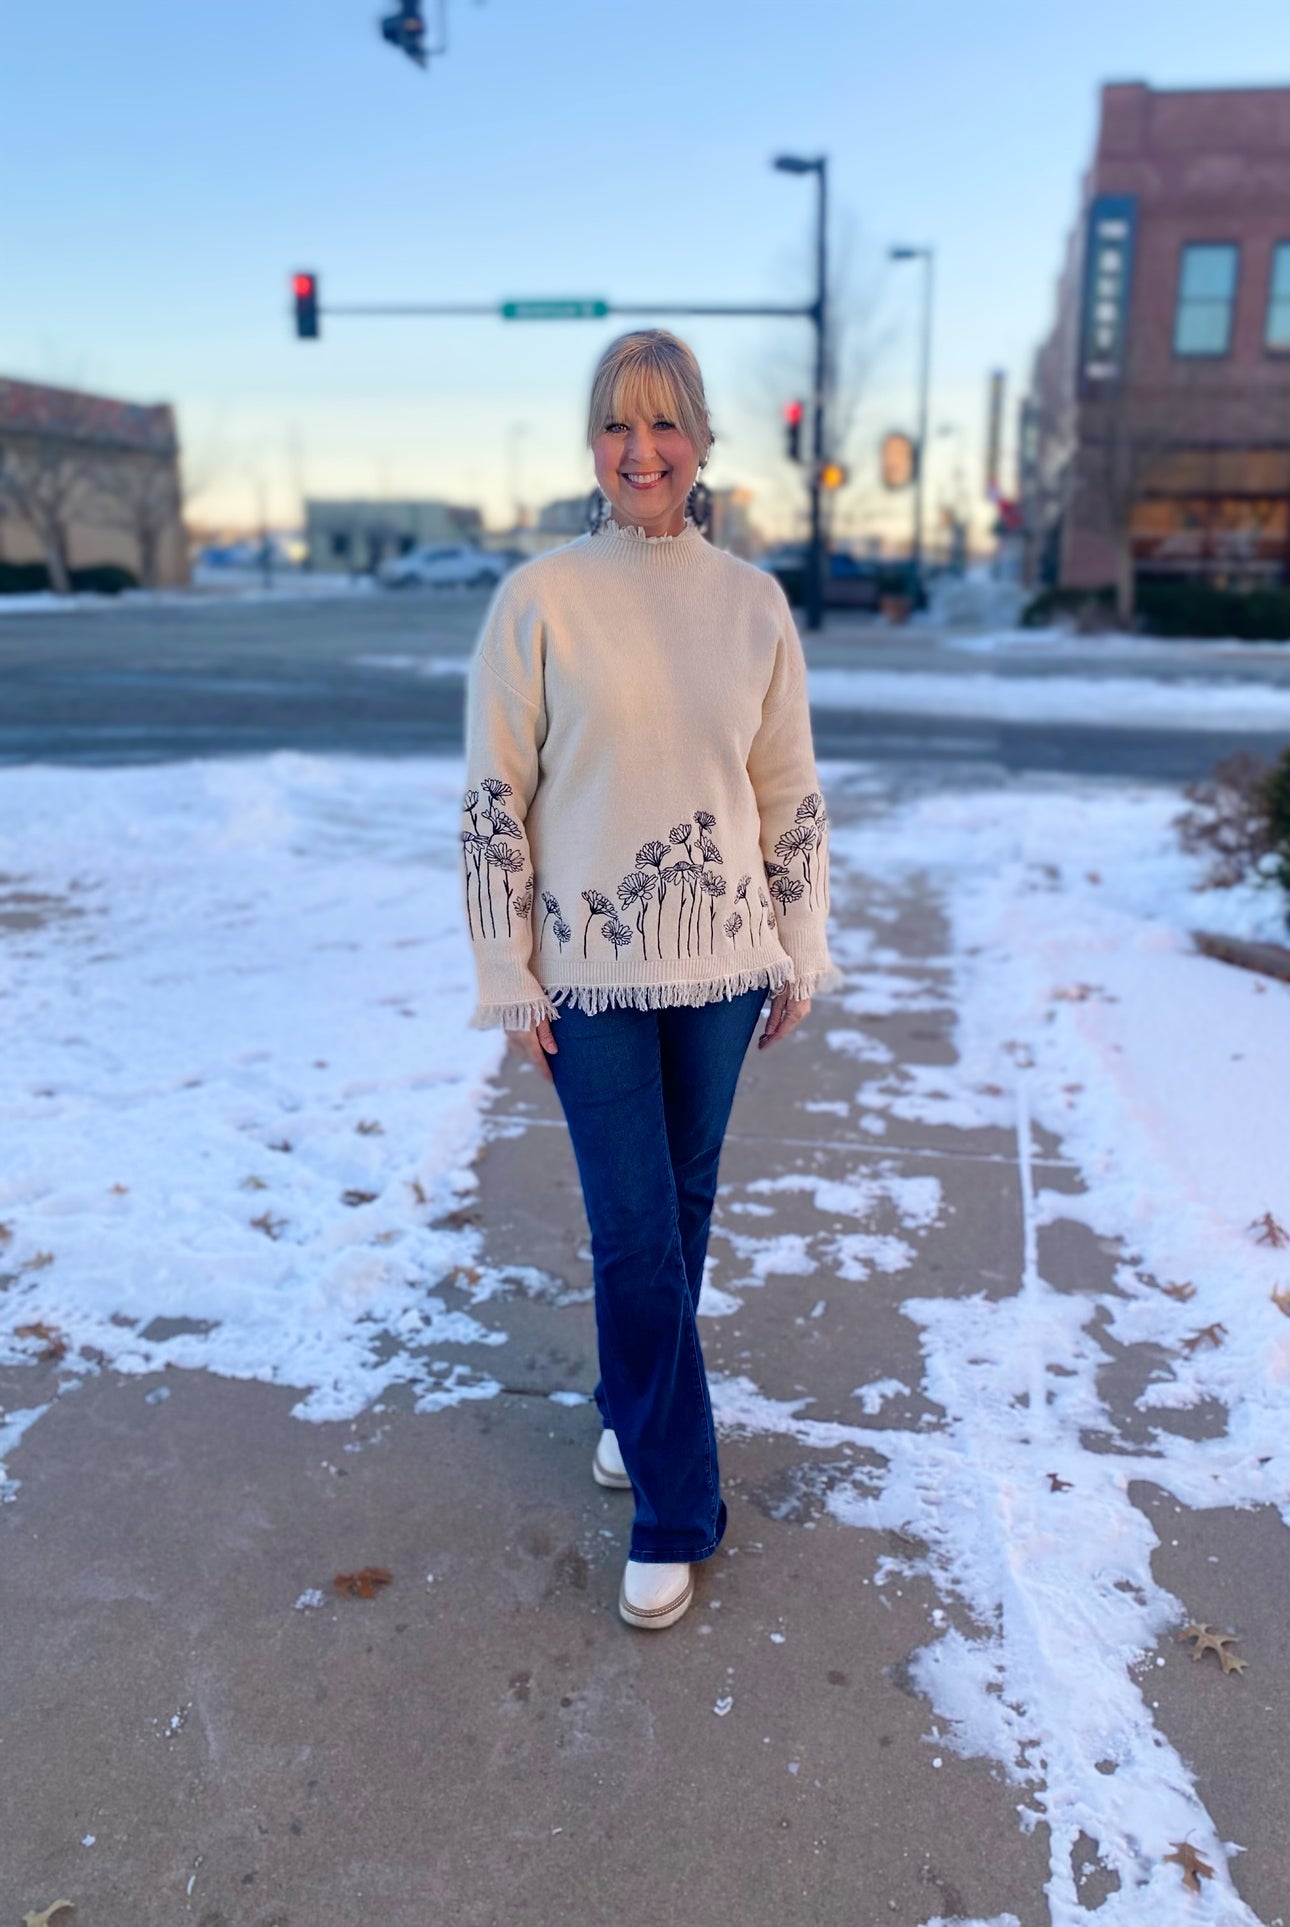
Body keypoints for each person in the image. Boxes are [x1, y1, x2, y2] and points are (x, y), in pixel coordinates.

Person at [460, 329, 841, 1631]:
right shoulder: (540, 598)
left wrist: (801, 948)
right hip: (587, 974)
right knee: (632, 1228)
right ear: (593, 446)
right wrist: (505, 971)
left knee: (675, 1219)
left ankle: (631, 1405)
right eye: (618, 427)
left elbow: (785, 789)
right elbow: (494, 796)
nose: (641, 451)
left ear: (699, 445)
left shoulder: (751, 604)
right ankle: (680, 1507)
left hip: (725, 968)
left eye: (663, 425)